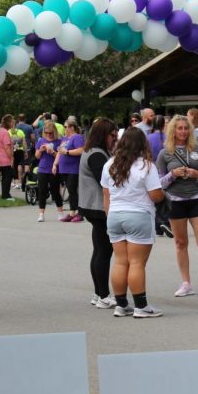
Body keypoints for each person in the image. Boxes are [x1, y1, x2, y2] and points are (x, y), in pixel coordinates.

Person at [101, 127, 166, 318]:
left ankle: (121, 304)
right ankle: (141, 305)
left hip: (114, 215)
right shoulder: (146, 166)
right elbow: (155, 195)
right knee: (137, 262)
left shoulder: (109, 165)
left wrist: (109, 216)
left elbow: (106, 194)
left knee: (121, 262)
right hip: (138, 214)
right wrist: (163, 194)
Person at [157, 114, 198, 297]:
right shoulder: (164, 153)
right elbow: (159, 183)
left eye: (186, 128)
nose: (183, 131)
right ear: (173, 130)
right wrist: (172, 174)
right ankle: (186, 283)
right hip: (175, 201)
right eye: (179, 128)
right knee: (181, 242)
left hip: (197, 198)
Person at [78, 118, 118, 307]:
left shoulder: (94, 151)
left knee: (99, 251)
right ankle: (103, 295)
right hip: (98, 207)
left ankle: (98, 293)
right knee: (104, 251)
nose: (114, 139)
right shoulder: (96, 155)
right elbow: (107, 180)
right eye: (112, 135)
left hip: (92, 206)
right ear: (103, 135)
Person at [53, 117, 85, 222]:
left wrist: (67, 152)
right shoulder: (65, 138)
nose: (65, 129)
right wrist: (55, 164)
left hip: (73, 168)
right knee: (71, 191)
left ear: (72, 127)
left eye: (66, 127)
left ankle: (78, 213)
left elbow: (81, 150)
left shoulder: (77, 137)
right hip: (64, 168)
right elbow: (59, 152)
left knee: (73, 190)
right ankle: (72, 212)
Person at [34, 123, 65, 220]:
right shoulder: (41, 141)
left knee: (55, 191)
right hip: (42, 169)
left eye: (50, 133)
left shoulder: (59, 142)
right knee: (42, 191)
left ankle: (60, 212)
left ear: (54, 132)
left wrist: (53, 152)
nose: (48, 135)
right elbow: (37, 156)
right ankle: (41, 214)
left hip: (54, 169)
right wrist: (41, 150)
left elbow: (61, 157)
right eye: (46, 133)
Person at [0, 115, 15, 201]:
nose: (13, 124)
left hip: (0, 156)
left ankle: (5, 193)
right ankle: (6, 195)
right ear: (8, 123)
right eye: (12, 122)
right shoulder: (5, 133)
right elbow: (7, 147)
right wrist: (11, 158)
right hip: (5, 158)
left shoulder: (0, 131)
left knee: (4, 177)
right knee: (8, 177)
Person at [9, 120, 27, 189]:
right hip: (20, 150)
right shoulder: (20, 132)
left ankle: (14, 181)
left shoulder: (8, 132)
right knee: (20, 165)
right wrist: (25, 151)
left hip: (12, 150)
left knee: (13, 166)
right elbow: (24, 143)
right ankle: (19, 182)